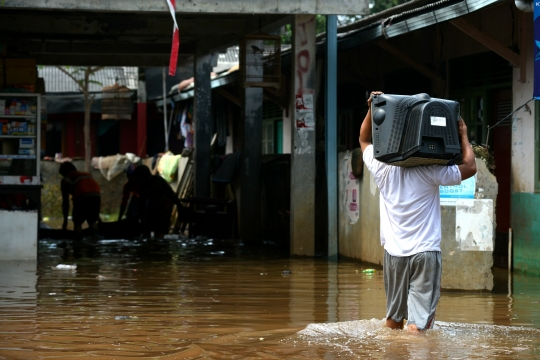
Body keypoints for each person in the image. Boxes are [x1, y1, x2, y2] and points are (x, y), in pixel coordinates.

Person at [359, 91, 477, 333]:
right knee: (418, 325)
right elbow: (470, 166)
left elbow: (363, 139)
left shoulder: (382, 169)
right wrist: (463, 136)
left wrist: (373, 109)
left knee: (393, 320)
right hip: (425, 251)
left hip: (393, 253)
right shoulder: (431, 171)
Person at [131, 165, 182, 239]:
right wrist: (139, 215)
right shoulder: (142, 185)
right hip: (153, 206)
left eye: (139, 177)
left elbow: (171, 194)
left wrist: (179, 206)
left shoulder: (157, 181)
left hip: (164, 207)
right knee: (146, 230)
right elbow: (142, 202)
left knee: (159, 232)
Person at [59, 162, 101, 236]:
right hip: (97, 196)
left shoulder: (65, 179)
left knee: (77, 223)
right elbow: (92, 193)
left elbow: (65, 202)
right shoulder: (86, 174)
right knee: (92, 222)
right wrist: (97, 217)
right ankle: (95, 242)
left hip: (81, 197)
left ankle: (78, 243)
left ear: (63, 172)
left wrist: (65, 222)